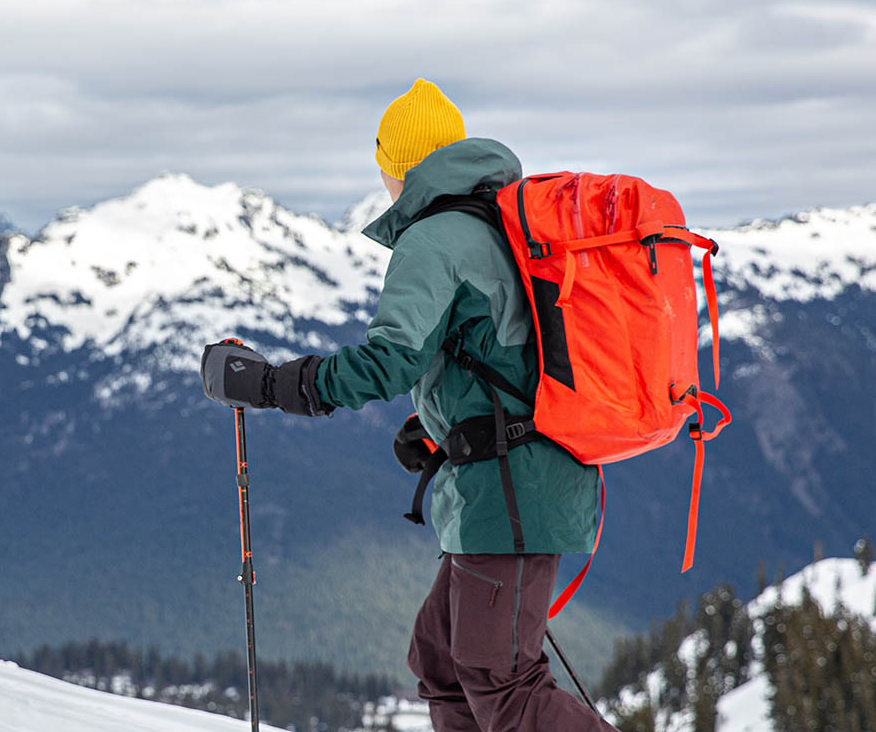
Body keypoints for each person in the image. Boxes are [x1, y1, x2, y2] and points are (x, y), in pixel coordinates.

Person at [202, 78, 616, 732]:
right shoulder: (496, 220)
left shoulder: (437, 237)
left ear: (396, 169)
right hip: (511, 482)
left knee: (499, 681)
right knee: (443, 660)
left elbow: (388, 360)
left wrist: (275, 384)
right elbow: (504, 349)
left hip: (513, 492)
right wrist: (440, 427)